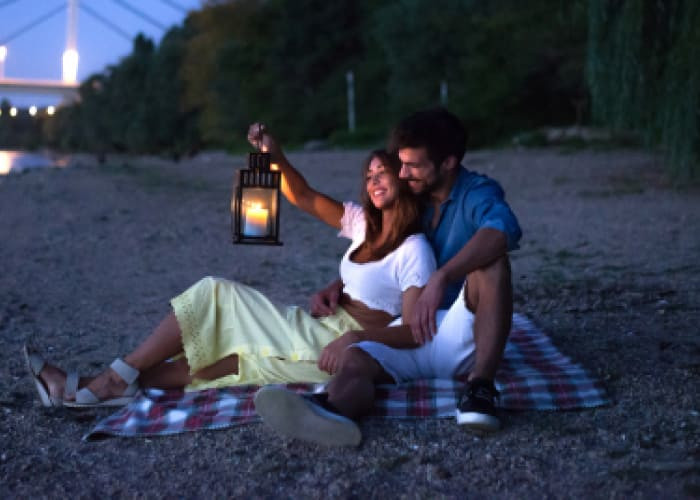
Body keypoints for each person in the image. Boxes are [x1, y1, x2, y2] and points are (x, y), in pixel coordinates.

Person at [23, 134, 435, 441]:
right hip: (320, 331)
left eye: (383, 173)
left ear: (403, 180)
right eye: (369, 174)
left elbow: (413, 330)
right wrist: (275, 159)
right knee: (225, 361)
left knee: (214, 293)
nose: (375, 179)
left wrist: (357, 339)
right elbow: (305, 197)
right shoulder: (365, 223)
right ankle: (85, 388)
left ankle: (107, 382)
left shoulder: (414, 249)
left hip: (338, 347)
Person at [255, 108, 521, 442]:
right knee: (357, 355)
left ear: (448, 163)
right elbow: (378, 249)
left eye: (413, 166)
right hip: (414, 328)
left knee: (493, 262)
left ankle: (481, 387)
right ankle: (332, 411)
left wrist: (442, 276)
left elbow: (502, 230)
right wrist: (341, 284)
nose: (403, 172)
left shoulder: (476, 193)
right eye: (401, 164)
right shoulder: (413, 195)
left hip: (460, 326)